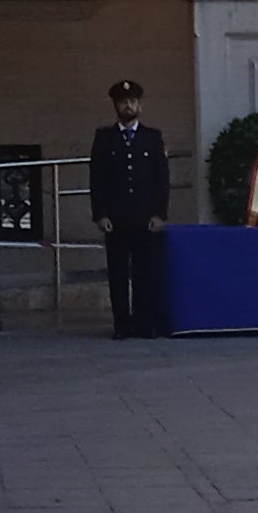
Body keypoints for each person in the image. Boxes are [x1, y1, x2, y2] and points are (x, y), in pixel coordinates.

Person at [88, 77, 171, 339]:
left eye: (133, 101)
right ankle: (122, 324)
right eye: (123, 102)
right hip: (117, 217)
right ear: (116, 106)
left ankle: (145, 323)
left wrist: (160, 214)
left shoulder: (152, 137)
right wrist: (100, 214)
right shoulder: (104, 138)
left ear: (140, 105)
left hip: (145, 216)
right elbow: (97, 179)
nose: (128, 106)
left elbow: (161, 179)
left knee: (146, 273)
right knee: (119, 274)